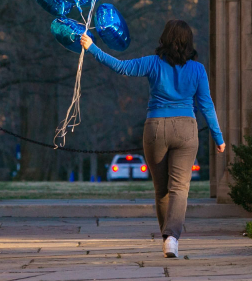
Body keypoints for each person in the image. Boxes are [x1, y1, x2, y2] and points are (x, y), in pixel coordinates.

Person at [80, 19, 225, 259]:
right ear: (189, 43)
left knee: (161, 190)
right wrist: (217, 136)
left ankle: (166, 237)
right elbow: (206, 105)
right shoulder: (198, 69)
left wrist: (92, 47)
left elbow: (121, 67)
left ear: (164, 39)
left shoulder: (152, 63)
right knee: (180, 188)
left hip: (155, 127)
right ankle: (172, 238)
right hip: (186, 129)